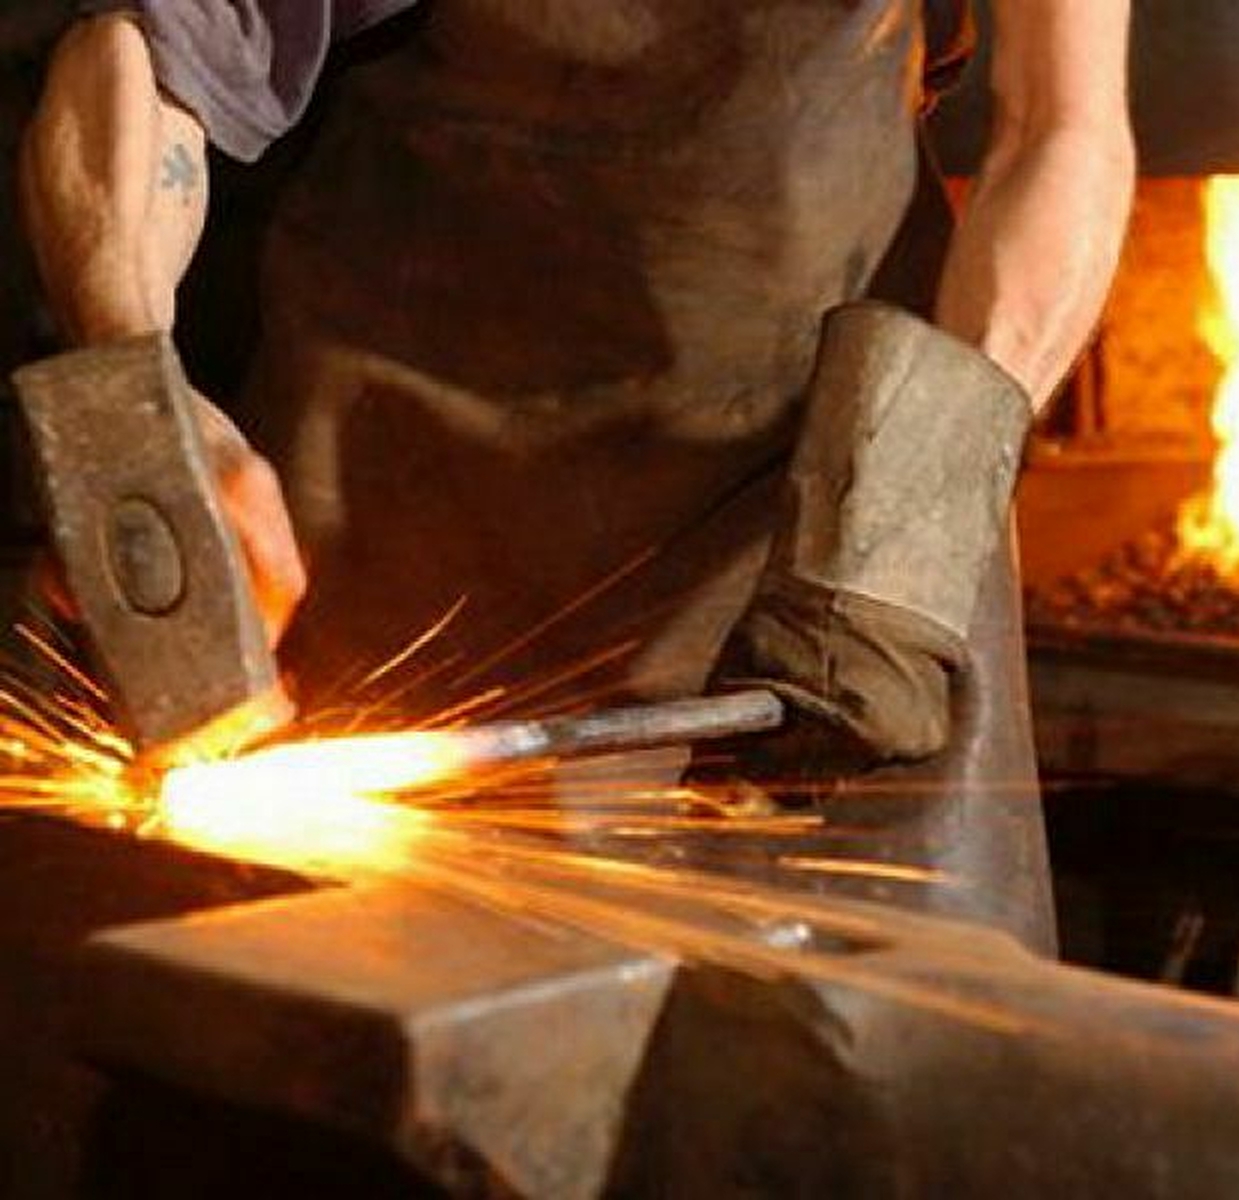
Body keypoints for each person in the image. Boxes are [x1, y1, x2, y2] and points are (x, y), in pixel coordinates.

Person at [21, 0, 1133, 953]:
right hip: (396, 518)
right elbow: (148, 53)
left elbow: (1062, 127)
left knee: (870, 1061)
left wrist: (919, 505)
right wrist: (133, 398)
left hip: (832, 527)